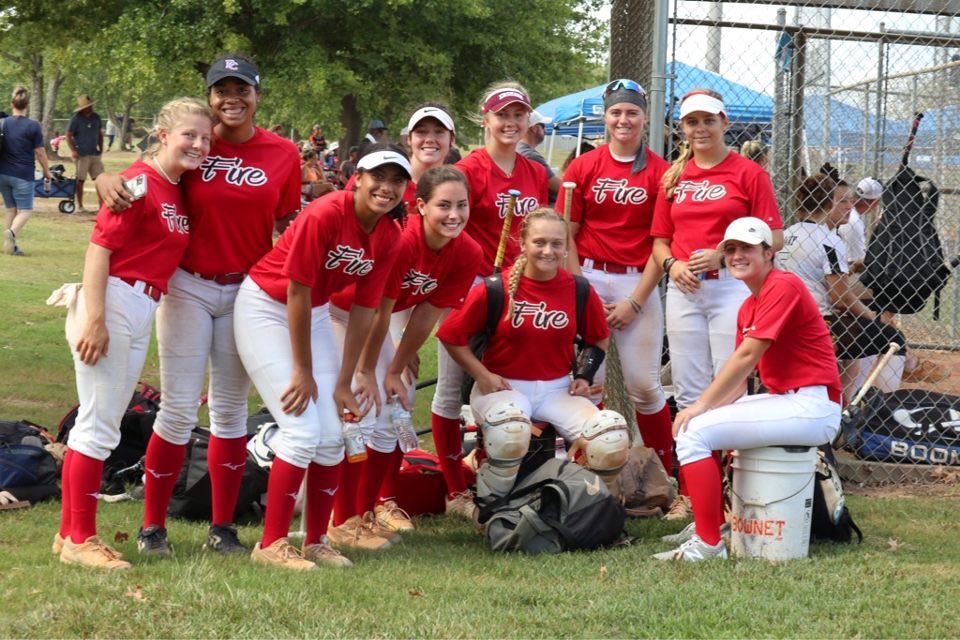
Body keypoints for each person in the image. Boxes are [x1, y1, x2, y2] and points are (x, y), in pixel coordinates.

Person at [95, 53, 302, 558]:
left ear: (257, 95)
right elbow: (143, 174)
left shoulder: (282, 153)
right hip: (187, 285)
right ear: (210, 97)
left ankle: (223, 526)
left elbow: (285, 224)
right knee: (180, 408)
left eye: (243, 89)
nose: (232, 98)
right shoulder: (195, 142)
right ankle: (152, 527)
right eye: (222, 89)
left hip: (247, 292)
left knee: (231, 412)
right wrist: (104, 177)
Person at [233, 144, 410, 570]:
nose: (386, 188)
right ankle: (271, 544)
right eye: (378, 177)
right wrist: (303, 370)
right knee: (301, 431)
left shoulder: (388, 235)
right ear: (359, 178)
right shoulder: (327, 213)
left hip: (312, 313)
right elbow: (296, 289)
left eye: (396, 180)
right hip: (265, 306)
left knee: (334, 432)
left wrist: (345, 381)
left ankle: (316, 540)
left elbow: (365, 310)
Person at [55, 97, 214, 570]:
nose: (199, 144)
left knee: (97, 421)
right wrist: (97, 319)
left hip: (142, 303)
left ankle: (68, 535)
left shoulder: (176, 186)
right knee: (99, 425)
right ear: (163, 134)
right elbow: (99, 250)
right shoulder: (139, 184)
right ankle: (82, 538)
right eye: (190, 134)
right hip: (115, 300)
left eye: (205, 138)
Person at [653, 217, 841, 562]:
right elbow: (740, 381)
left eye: (748, 248)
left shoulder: (783, 285)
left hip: (813, 404)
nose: (738, 255)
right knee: (697, 427)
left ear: (768, 253)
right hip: (789, 400)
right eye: (731, 249)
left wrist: (698, 408)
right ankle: (711, 526)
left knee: (694, 430)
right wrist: (707, 409)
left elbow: (747, 355)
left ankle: (709, 545)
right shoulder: (747, 305)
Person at [327, 165, 482, 547]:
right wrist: (367, 370)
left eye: (461, 205)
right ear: (420, 206)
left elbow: (427, 312)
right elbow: (378, 310)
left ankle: (367, 512)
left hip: (373, 318)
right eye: (443, 205)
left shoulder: (467, 251)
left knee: (399, 399)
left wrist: (396, 368)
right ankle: (342, 518)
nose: (454, 214)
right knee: (361, 405)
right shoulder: (402, 240)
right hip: (335, 312)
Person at [437, 208, 630, 502]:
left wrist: (583, 376)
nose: (548, 251)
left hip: (557, 389)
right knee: (509, 428)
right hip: (504, 388)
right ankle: (492, 509)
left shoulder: (578, 288)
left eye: (556, 243)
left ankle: (586, 507)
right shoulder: (495, 288)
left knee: (609, 436)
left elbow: (598, 338)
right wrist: (481, 374)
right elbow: (451, 336)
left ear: (567, 248)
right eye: (539, 242)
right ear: (523, 243)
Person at [651, 89, 782, 519]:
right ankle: (693, 495)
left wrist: (725, 253)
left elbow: (773, 237)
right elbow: (659, 241)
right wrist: (671, 266)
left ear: (725, 122)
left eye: (708, 120)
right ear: (682, 128)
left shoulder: (747, 173)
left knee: (730, 388)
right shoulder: (674, 176)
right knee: (688, 389)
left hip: (730, 286)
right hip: (685, 289)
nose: (700, 129)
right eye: (692, 122)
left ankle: (735, 493)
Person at [431, 81, 549, 518]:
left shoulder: (534, 170)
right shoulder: (469, 168)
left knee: (507, 386)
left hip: (522, 293)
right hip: (474, 289)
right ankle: (453, 490)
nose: (511, 123)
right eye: (502, 115)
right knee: (449, 391)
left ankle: (496, 477)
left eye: (519, 115)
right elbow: (450, 227)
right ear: (486, 119)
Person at [560, 79, 674, 474]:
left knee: (643, 386)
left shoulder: (662, 173)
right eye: (616, 112)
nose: (623, 120)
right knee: (585, 383)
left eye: (631, 112)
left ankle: (662, 473)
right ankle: (588, 471)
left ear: (645, 117)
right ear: (605, 117)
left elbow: (662, 243)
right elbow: (566, 235)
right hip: (587, 275)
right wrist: (581, 291)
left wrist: (636, 301)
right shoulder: (583, 166)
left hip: (637, 281)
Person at [777, 174, 904, 403]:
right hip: (816, 323)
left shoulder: (785, 235)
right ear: (828, 204)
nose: (850, 206)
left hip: (783, 318)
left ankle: (844, 406)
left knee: (852, 359)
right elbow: (840, 298)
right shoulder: (829, 240)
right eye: (843, 201)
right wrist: (875, 318)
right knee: (894, 339)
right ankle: (884, 411)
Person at [1, 85, 53, 256]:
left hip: (3, 173)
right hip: (23, 174)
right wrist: (47, 171)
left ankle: (8, 246)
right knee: (26, 211)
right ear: (27, 105)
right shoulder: (33, 126)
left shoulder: (3, 123)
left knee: (11, 209)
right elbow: (40, 152)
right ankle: (12, 233)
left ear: (12, 103)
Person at [66, 94, 104, 214]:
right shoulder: (76, 119)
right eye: (88, 106)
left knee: (100, 179)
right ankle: (80, 205)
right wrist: (73, 150)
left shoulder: (96, 117)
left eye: (91, 106)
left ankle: (101, 206)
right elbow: (68, 134)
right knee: (80, 180)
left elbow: (99, 133)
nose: (90, 108)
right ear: (83, 108)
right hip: (81, 154)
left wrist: (101, 147)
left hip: (94, 153)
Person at [518, 110, 561, 203]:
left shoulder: (517, 149)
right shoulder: (530, 155)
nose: (545, 131)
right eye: (543, 126)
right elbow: (558, 186)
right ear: (535, 128)